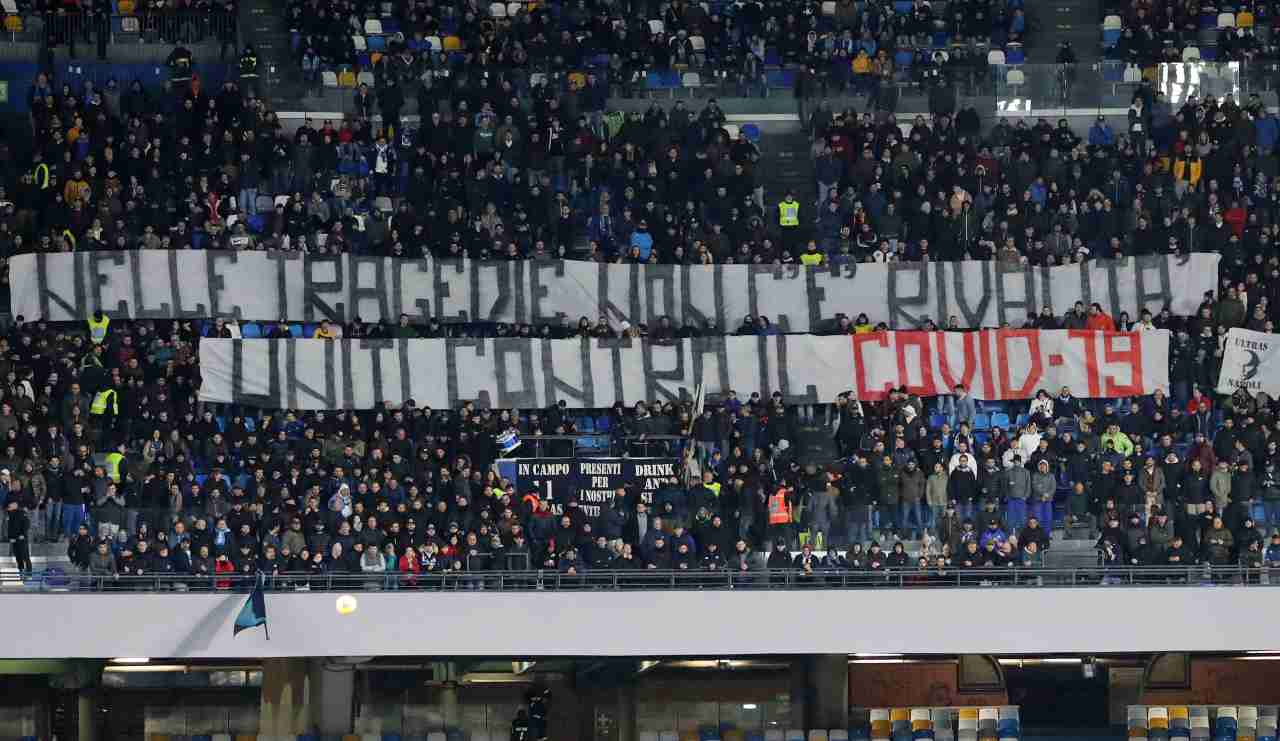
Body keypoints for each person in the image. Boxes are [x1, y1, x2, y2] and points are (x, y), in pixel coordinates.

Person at [6, 499, 31, 574]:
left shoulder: (22, 513)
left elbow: (26, 524)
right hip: (14, 539)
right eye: (9, 506)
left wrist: (23, 534)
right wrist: (10, 537)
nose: (9, 507)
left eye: (11, 506)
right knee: (18, 556)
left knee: (25, 555)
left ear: (15, 506)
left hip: (22, 539)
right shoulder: (10, 515)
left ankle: (29, 571)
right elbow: (9, 528)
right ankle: (21, 570)